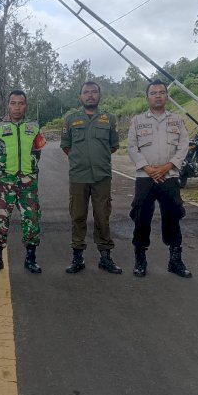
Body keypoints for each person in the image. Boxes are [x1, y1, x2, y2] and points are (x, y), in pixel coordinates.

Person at [127, 79, 192, 278]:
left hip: (169, 176)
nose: (158, 96)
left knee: (173, 216)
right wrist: (148, 168)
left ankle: (175, 260)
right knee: (141, 218)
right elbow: (132, 147)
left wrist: (166, 167)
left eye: (161, 92)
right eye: (153, 93)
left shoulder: (177, 120)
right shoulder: (137, 121)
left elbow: (183, 146)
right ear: (147, 97)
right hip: (144, 178)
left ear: (166, 96)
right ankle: (140, 259)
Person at [60, 81, 122, 274]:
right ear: (80, 96)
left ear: (99, 95)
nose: (90, 95)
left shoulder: (109, 119)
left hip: (102, 176)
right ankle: (77, 257)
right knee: (78, 215)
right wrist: (82, 160)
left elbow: (113, 146)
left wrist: (97, 159)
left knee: (102, 216)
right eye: (86, 92)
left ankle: (105, 257)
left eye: (94, 92)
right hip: (79, 176)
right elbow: (66, 146)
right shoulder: (71, 119)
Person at [0, 90, 46, 275]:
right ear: (8, 105)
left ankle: (31, 259)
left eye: (21, 103)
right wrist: (0, 174)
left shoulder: (33, 126)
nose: (17, 107)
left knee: (32, 220)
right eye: (14, 103)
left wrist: (30, 170)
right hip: (4, 183)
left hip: (28, 183)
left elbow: (37, 151)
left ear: (25, 105)